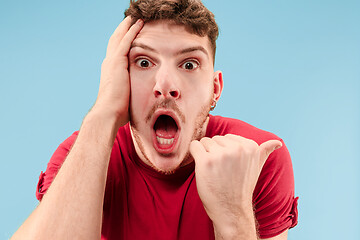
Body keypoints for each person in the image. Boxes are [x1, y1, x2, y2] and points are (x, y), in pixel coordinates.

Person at [11, 0, 298, 239]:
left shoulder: (257, 157)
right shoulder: (83, 154)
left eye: (189, 64)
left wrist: (234, 217)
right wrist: (103, 111)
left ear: (215, 89)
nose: (166, 85)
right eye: (144, 62)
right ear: (121, 78)